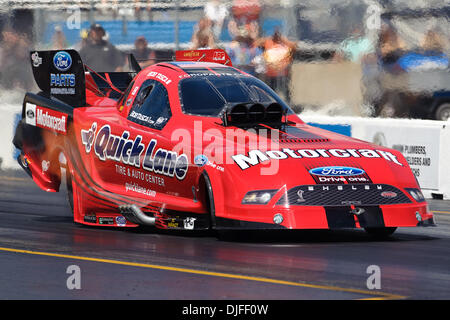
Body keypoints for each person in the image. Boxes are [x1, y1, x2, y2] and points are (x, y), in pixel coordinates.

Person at [255, 28, 297, 103]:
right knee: (271, 91)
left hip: (284, 73)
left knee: (285, 91)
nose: (277, 38)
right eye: (275, 36)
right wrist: (268, 38)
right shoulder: (268, 42)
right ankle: (271, 104)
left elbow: (294, 47)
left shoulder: (285, 44)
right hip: (271, 73)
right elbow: (255, 44)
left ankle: (288, 105)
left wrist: (284, 40)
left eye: (278, 36)